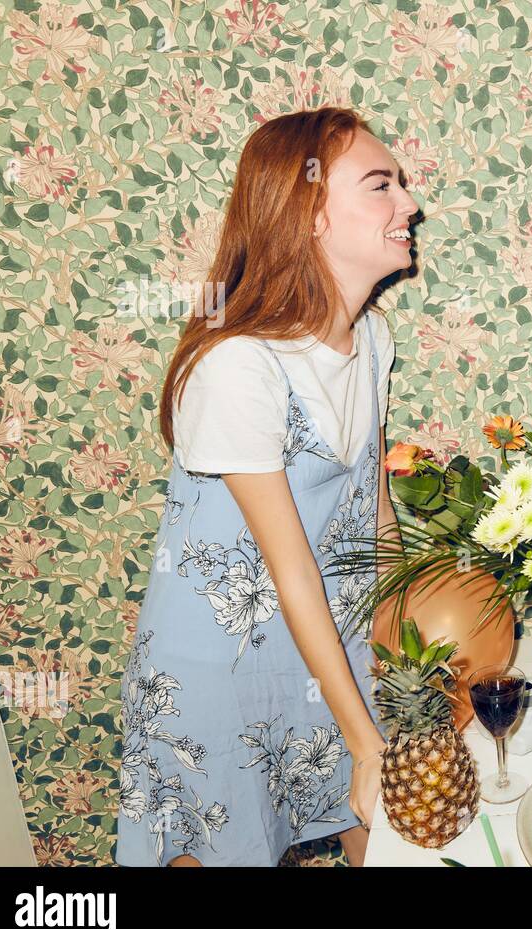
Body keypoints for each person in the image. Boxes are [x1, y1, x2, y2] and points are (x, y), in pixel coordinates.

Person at [115, 107, 417, 866]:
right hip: (221, 676)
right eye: (381, 185)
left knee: (384, 840)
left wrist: (402, 655)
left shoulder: (373, 338)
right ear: (308, 214)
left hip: (329, 654)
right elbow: (288, 566)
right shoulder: (239, 365)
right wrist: (362, 735)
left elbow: (374, 515)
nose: (409, 204)